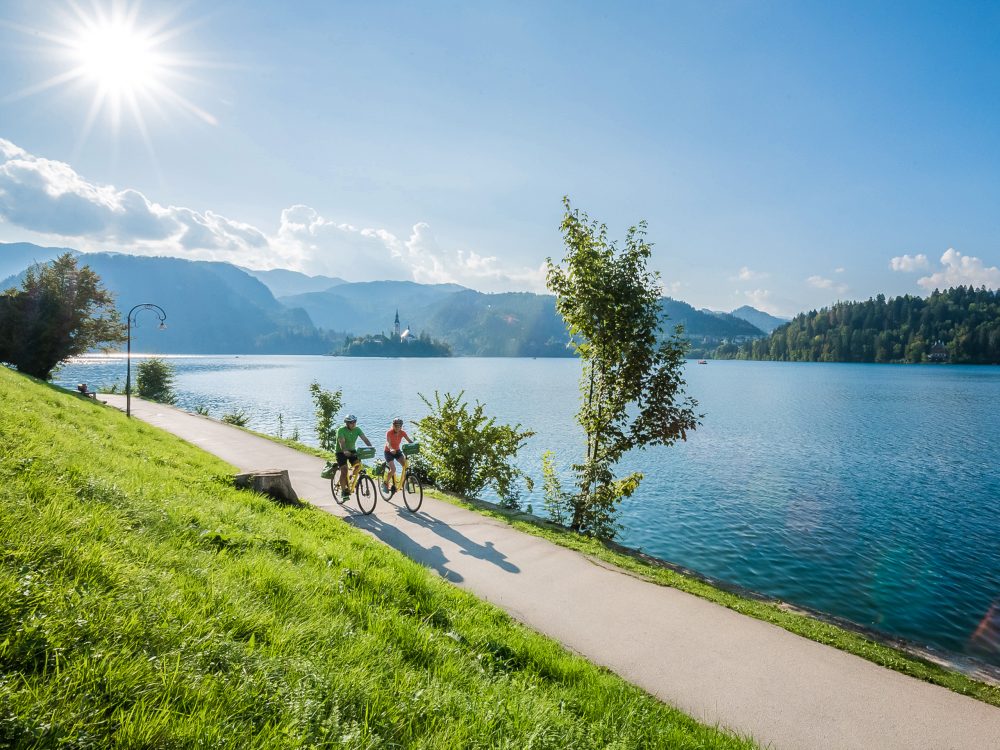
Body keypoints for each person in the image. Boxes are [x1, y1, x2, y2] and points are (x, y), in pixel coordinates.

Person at [335, 414, 373, 500]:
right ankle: (344, 491)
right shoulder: (341, 430)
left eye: (354, 422)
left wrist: (371, 448)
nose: (353, 424)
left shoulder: (357, 429)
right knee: (344, 470)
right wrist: (344, 450)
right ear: (347, 423)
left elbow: (365, 439)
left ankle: (351, 479)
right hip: (341, 452)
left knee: (358, 466)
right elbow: (342, 443)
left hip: (352, 451)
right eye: (351, 422)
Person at [382, 417, 412, 496]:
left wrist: (414, 445)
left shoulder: (402, 432)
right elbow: (388, 443)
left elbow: (409, 440)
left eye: (399, 426)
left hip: (397, 451)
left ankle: (405, 484)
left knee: (405, 466)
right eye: (396, 426)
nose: (397, 428)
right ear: (393, 425)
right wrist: (391, 449)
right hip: (388, 451)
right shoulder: (389, 432)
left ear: (401, 426)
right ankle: (385, 483)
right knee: (393, 469)